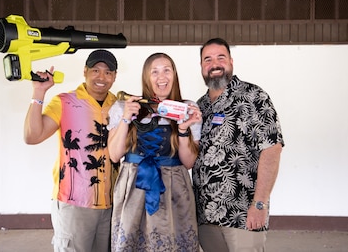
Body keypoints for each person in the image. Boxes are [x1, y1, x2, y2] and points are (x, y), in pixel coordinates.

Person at [192, 38, 285, 252]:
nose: (214, 64)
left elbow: (272, 149)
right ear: (201, 67)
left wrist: (259, 204)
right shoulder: (200, 106)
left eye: (220, 57)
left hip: (242, 216)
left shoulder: (254, 97)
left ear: (231, 62)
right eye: (208, 59)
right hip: (206, 217)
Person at [24, 49, 120, 252]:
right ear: (85, 71)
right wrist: (39, 93)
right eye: (95, 70)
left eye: (108, 72)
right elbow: (32, 136)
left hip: (111, 206)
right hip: (74, 204)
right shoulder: (65, 101)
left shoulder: (119, 106)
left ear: (114, 77)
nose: (101, 77)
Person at [107, 53, 202, 251]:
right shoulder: (126, 106)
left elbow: (189, 162)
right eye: (155, 71)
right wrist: (126, 118)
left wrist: (183, 129)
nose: (162, 77)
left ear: (174, 75)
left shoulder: (187, 109)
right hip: (134, 186)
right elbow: (115, 155)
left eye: (167, 70)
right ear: (146, 77)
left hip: (173, 188)